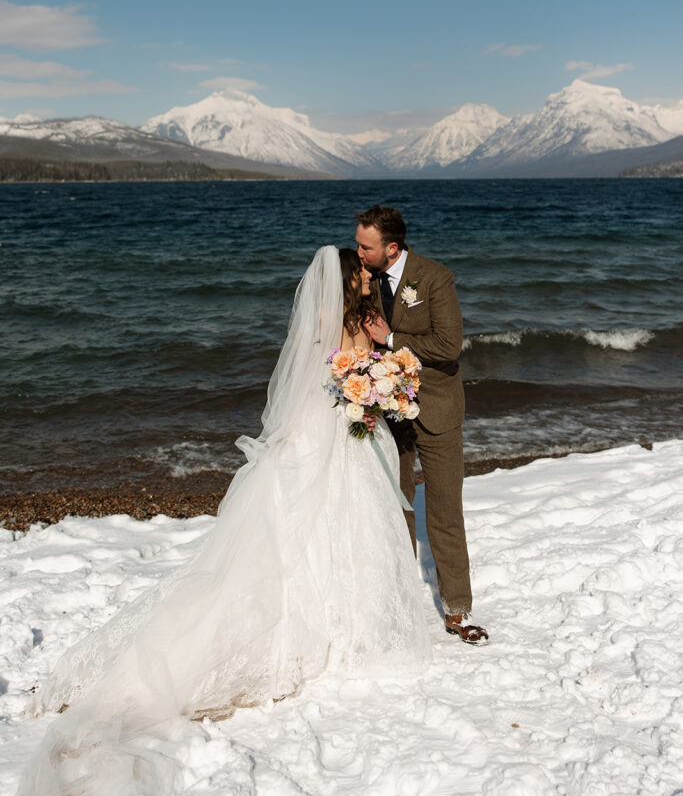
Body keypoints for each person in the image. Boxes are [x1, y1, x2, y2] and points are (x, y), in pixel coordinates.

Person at [20, 247, 430, 796]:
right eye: (359, 272)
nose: (366, 276)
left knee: (340, 527)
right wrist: (368, 386)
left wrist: (379, 377)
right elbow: (328, 379)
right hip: (331, 436)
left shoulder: (354, 318)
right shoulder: (339, 320)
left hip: (344, 434)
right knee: (312, 530)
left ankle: (345, 621)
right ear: (343, 280)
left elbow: (346, 372)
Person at [356, 205, 488, 645]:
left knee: (445, 510)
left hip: (437, 410)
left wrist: (391, 339)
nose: (359, 252)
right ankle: (398, 600)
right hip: (389, 412)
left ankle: (457, 609)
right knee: (394, 506)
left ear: (391, 248)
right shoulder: (364, 281)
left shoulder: (434, 278)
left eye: (366, 247)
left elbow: (450, 345)